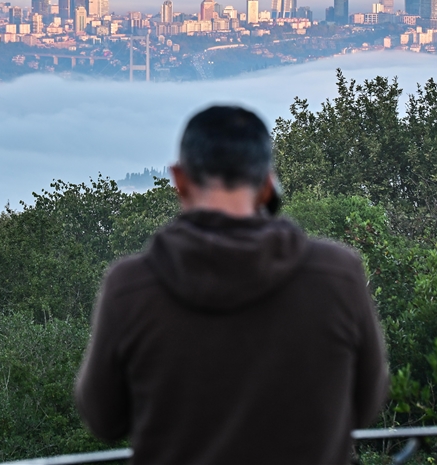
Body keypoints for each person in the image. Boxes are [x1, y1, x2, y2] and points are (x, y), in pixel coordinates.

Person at [74, 105, 388, 464]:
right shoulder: (338, 275)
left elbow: (103, 419)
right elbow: (365, 406)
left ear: (179, 179)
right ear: (268, 184)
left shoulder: (131, 287)